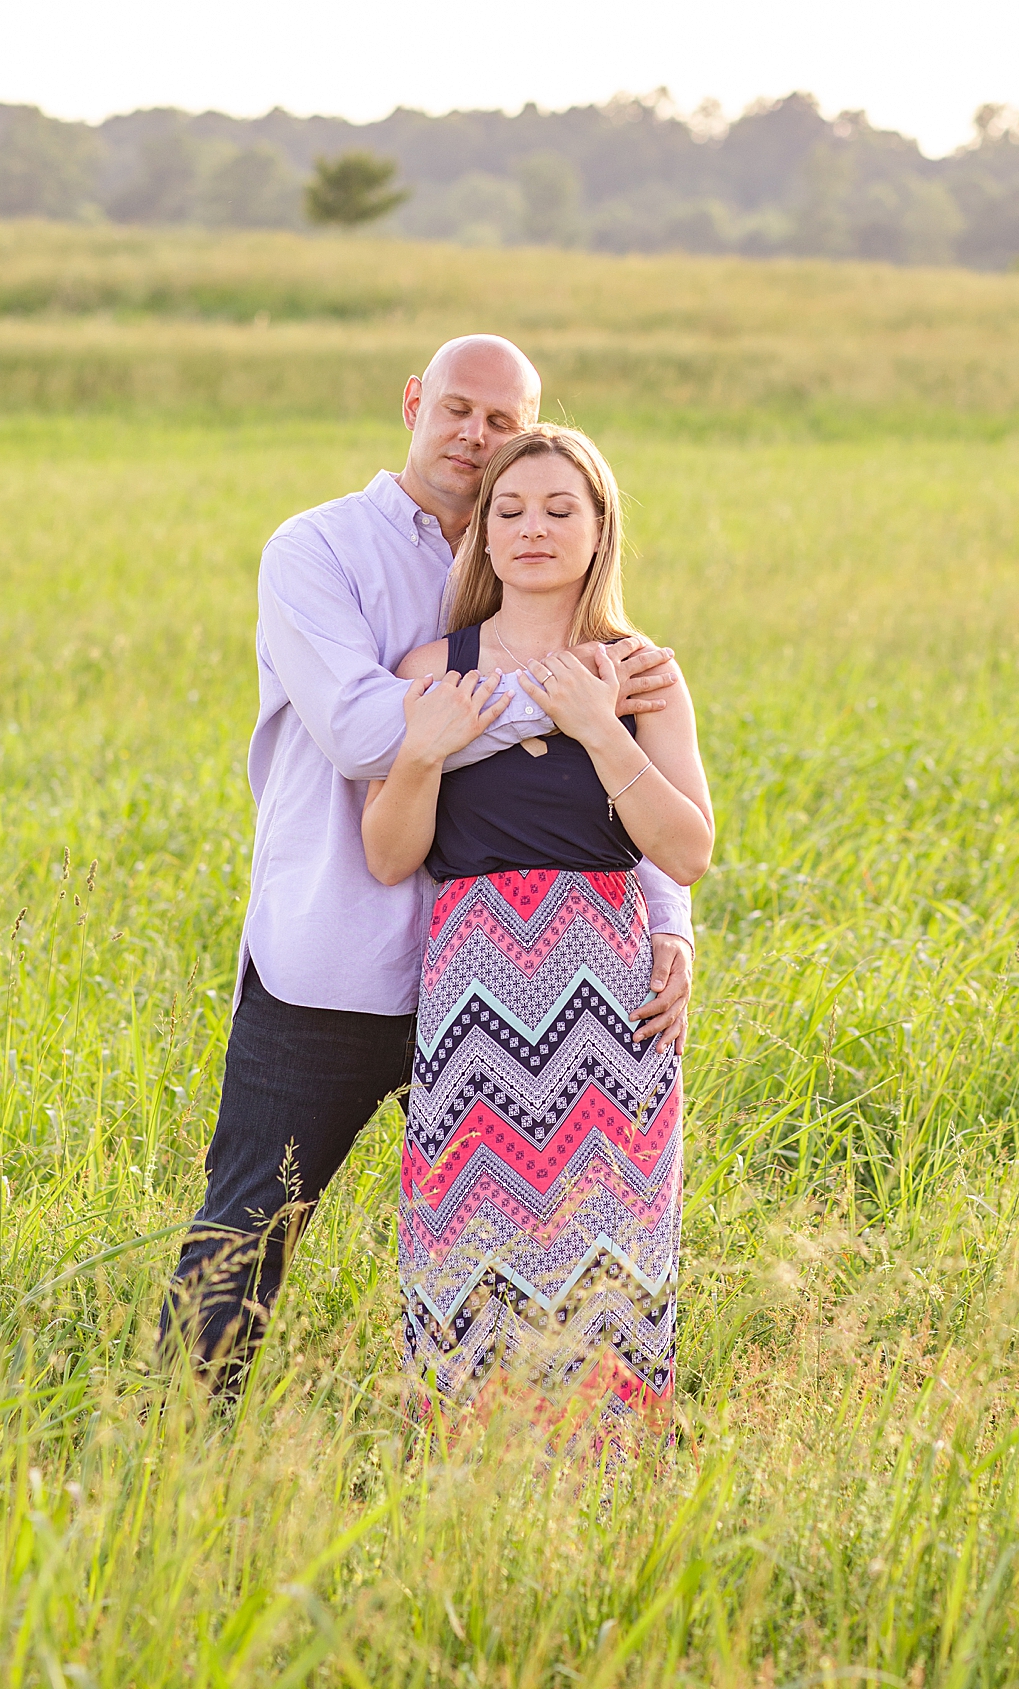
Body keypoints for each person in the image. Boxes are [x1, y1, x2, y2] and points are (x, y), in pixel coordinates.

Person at [161, 336, 696, 1377]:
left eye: (501, 422)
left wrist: (667, 918)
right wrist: (565, 695)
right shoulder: (317, 549)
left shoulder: (546, 572)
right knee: (250, 1225)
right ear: (414, 402)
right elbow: (367, 731)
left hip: (518, 984)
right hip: (339, 959)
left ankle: (518, 1460)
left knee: (537, 1232)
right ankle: (181, 1447)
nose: (474, 435)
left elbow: (631, 795)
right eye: (456, 408)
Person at [362, 423, 713, 1436]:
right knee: (465, 1242)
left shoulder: (640, 673)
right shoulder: (437, 666)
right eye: (510, 510)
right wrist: (424, 753)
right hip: (473, 989)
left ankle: (606, 1485)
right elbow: (390, 856)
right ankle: (470, 1478)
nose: (532, 529)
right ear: (481, 534)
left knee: (610, 1245)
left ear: (601, 528)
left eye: (562, 509)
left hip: (608, 993)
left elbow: (686, 852)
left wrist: (600, 728)